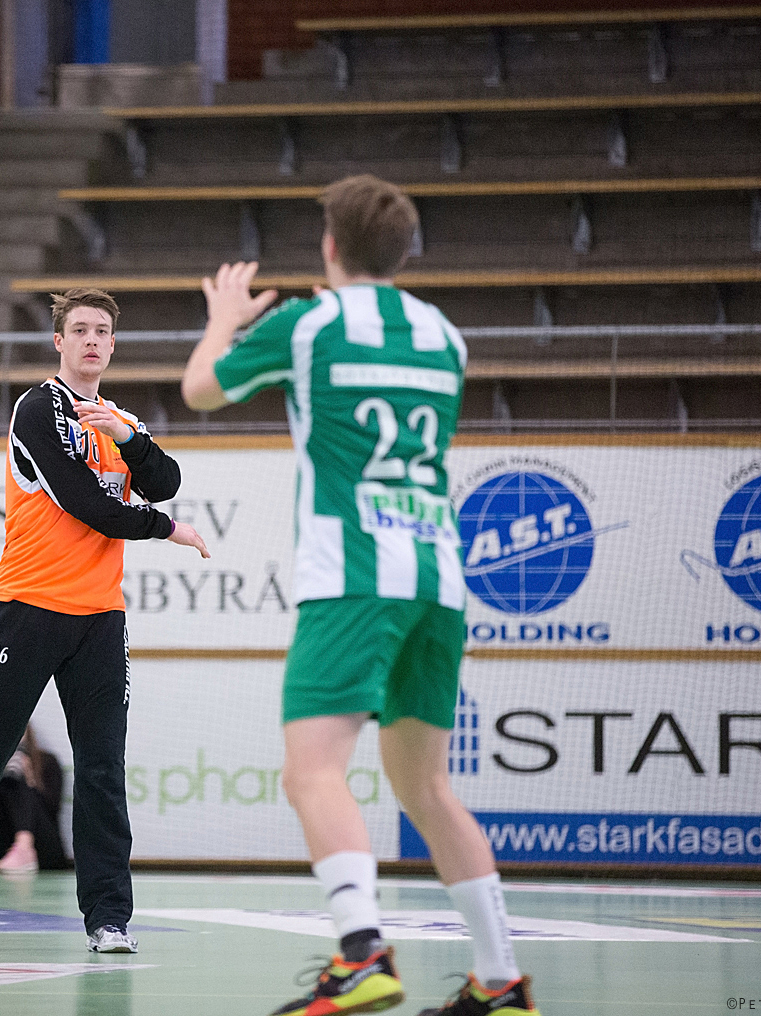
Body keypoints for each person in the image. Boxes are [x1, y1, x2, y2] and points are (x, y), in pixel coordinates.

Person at [181, 176, 539, 1016]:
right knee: (427, 790)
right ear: (402, 252)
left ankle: (361, 953)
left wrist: (225, 320)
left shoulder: (307, 326)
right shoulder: (445, 336)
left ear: (330, 247)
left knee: (312, 773)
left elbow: (198, 391)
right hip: (438, 579)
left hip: (352, 577)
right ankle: (500, 981)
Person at [0, 287, 210, 953]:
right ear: (60, 342)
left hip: (100, 619)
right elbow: (86, 503)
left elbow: (167, 479)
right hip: (27, 610)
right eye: (81, 330)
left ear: (113, 345)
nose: (92, 340)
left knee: (102, 769)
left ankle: (108, 919)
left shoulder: (118, 421)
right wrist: (166, 529)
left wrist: (129, 438)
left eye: (102, 331)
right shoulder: (37, 410)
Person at [0, 726, 69, 873]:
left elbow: (53, 808)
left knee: (14, 775)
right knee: (2, 779)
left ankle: (24, 847)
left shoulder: (47, 761)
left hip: (42, 846)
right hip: (1, 844)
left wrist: (30, 781)